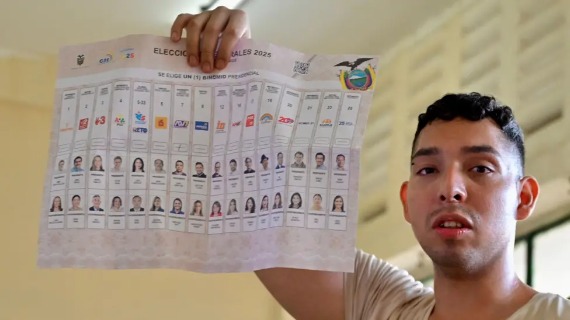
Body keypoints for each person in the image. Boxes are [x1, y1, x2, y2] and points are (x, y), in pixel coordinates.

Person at [169, 7, 570, 320]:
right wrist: (231, 72)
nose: (451, 188)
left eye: (480, 168)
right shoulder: (380, 306)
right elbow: (257, 213)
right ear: (407, 201)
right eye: (428, 170)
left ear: (524, 196)